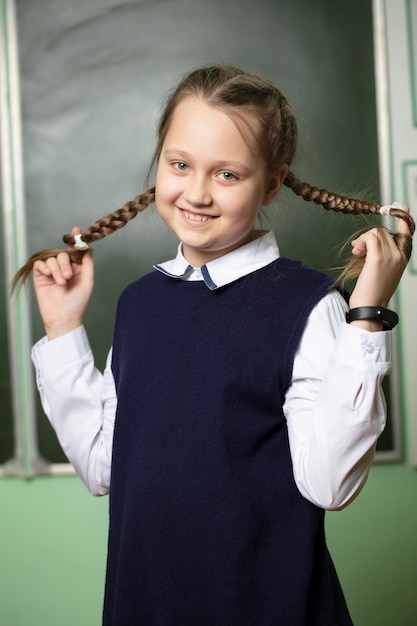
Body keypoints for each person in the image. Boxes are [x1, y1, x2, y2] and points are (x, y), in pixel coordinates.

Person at [15, 64, 414, 625]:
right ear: (159, 161)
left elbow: (330, 484)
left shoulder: (307, 304)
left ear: (271, 183)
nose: (197, 193)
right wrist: (61, 330)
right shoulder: (139, 303)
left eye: (227, 175)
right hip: (146, 607)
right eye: (180, 165)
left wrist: (366, 317)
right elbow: (104, 467)